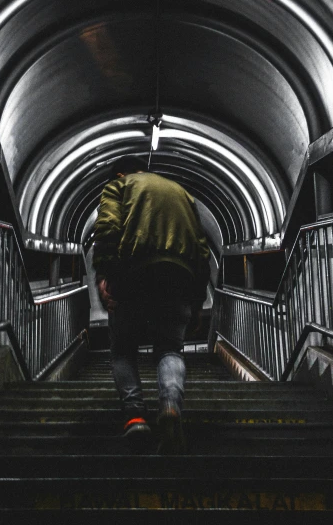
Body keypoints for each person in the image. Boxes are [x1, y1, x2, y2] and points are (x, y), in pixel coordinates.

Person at [92, 155, 211, 453]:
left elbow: (107, 229)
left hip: (134, 272)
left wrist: (104, 274)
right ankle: (170, 406)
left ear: (120, 173)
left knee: (122, 350)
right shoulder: (182, 192)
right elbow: (201, 247)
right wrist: (197, 299)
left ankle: (135, 417)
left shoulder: (118, 186)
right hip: (178, 277)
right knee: (170, 348)